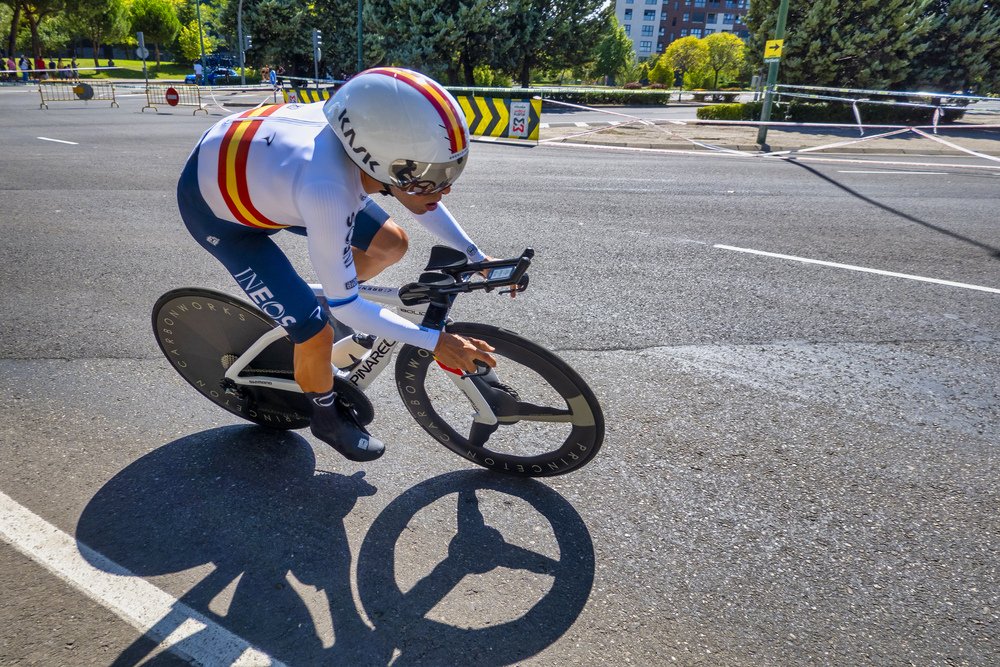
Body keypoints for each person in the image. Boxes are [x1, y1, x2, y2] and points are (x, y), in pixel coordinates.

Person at [175, 67, 496, 462]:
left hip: (263, 169)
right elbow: (416, 194)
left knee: (391, 244)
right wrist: (437, 342)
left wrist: (474, 253)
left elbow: (421, 198)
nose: (444, 188)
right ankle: (325, 419)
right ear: (381, 164)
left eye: (450, 172)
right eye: (432, 176)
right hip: (218, 214)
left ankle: (329, 291)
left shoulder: (355, 131)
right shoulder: (328, 190)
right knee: (317, 333)